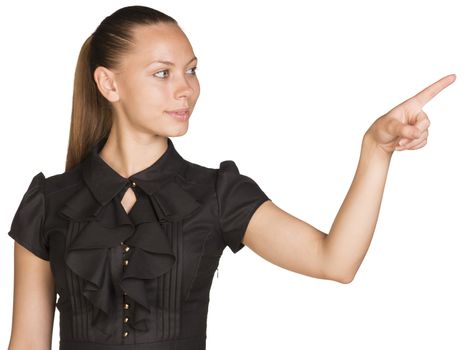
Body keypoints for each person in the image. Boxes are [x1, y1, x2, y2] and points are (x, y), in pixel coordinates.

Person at [6, 5, 455, 350]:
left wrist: (375, 150)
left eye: (191, 70)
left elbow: (334, 262)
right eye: (162, 73)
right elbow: (27, 344)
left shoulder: (216, 194)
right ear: (109, 84)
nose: (186, 88)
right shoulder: (48, 201)